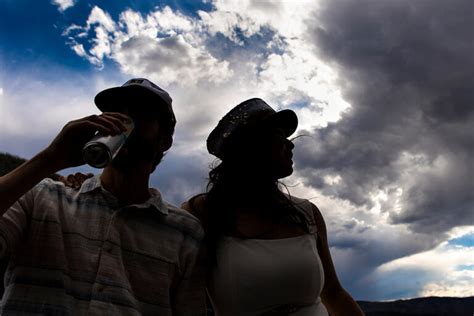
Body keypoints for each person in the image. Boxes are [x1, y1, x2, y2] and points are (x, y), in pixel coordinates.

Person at [0, 78, 206, 315]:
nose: (124, 122)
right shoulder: (41, 196)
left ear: (164, 141)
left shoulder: (185, 233)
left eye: (142, 115)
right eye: (116, 112)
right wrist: (50, 158)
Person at [182, 98, 365, 315]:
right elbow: (185, 300)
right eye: (279, 136)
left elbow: (333, 293)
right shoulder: (202, 213)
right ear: (250, 147)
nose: (290, 144)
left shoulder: (306, 213)